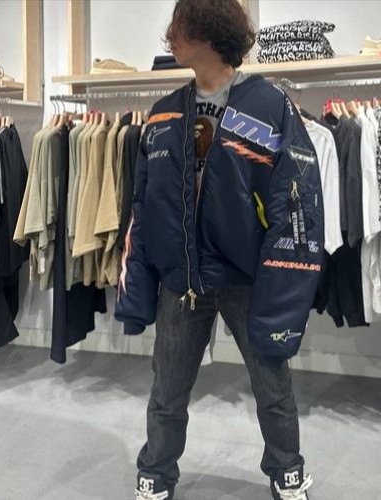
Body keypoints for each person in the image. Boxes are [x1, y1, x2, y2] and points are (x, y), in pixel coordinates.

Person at [115, 1, 324, 498]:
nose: (170, 36)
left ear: (210, 31)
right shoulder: (163, 115)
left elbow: (297, 199)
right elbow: (143, 207)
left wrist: (281, 284)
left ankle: (287, 471)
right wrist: (138, 288)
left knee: (273, 386)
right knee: (167, 390)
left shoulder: (269, 106)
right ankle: (156, 472)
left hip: (246, 278)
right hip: (181, 279)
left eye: (181, 26)